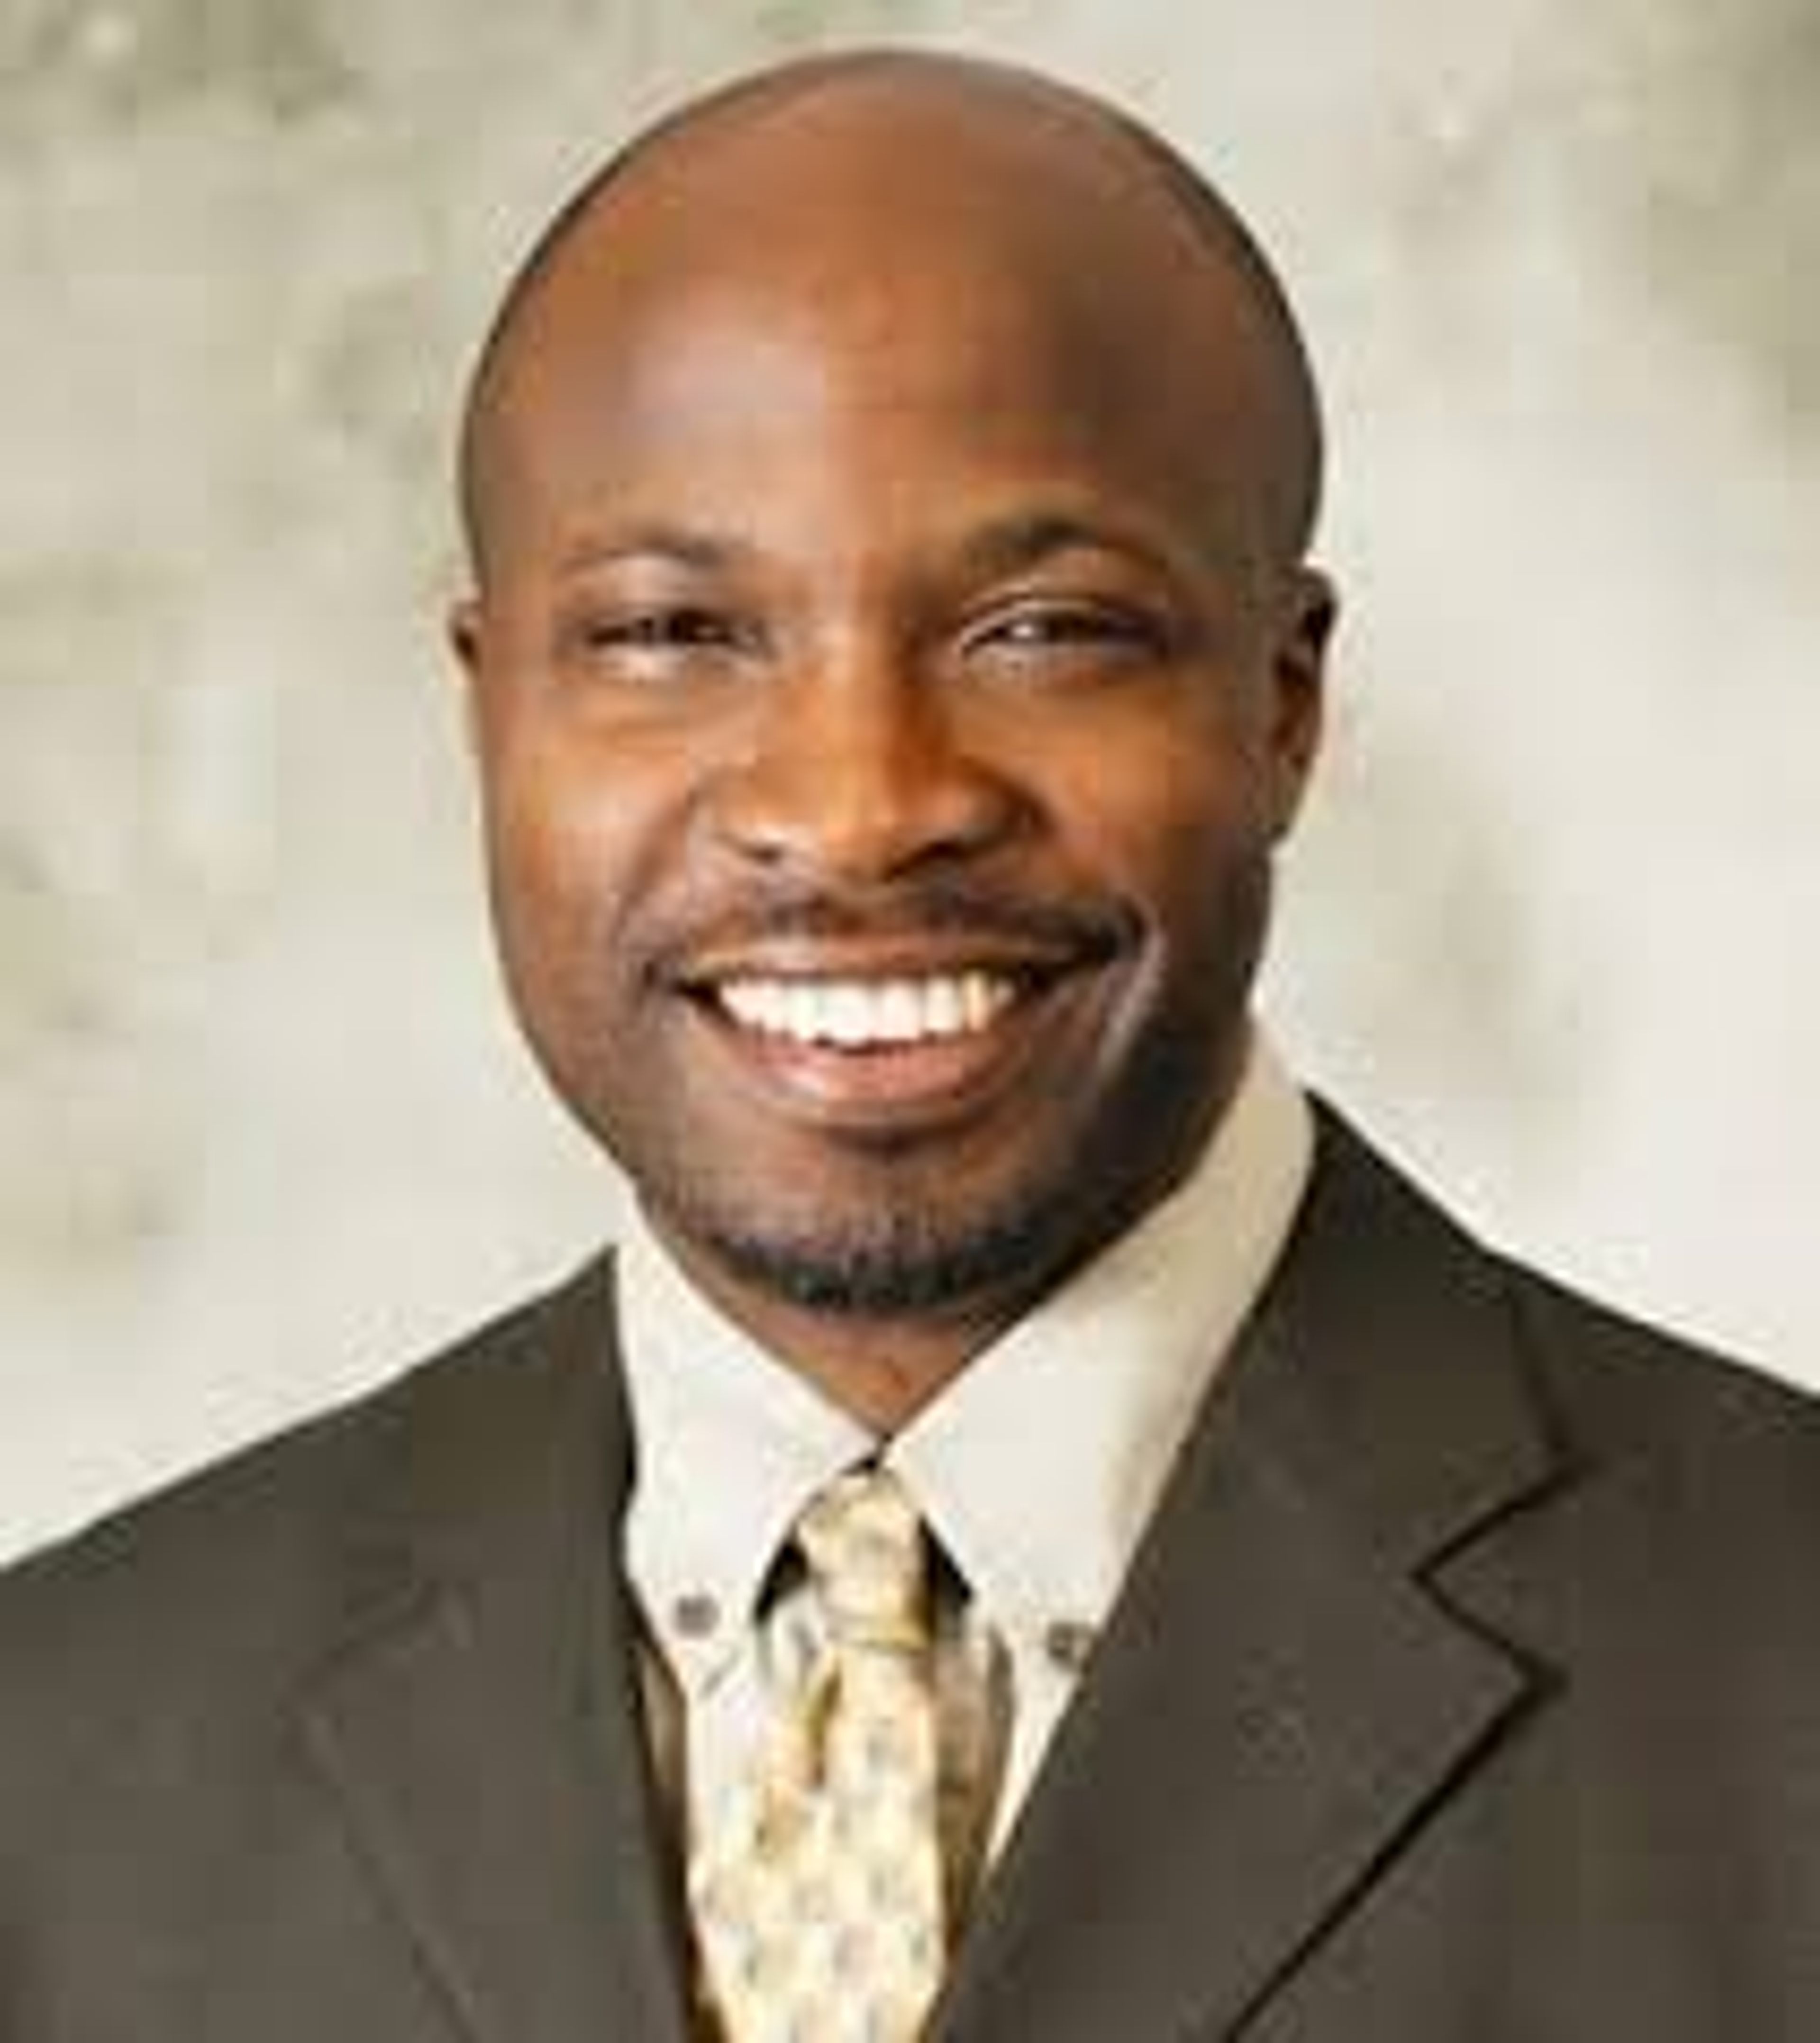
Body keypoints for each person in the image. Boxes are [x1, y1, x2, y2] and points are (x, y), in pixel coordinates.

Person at [3, 47, 1819, 2043]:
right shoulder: (65, 1759)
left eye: (1043, 630)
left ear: (1282, 704)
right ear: (486, 703)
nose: (860, 807)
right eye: (673, 635)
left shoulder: (1770, 1670)